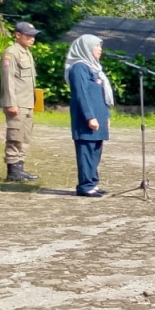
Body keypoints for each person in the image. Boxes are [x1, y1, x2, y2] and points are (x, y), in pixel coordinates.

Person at [64, 34, 112, 198]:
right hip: (86, 118)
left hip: (98, 116)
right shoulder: (79, 68)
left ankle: (92, 182)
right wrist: (90, 117)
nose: (100, 50)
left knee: (95, 151)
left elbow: (100, 95)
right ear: (86, 48)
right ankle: (85, 186)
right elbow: (81, 95)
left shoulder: (94, 68)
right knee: (86, 151)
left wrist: (106, 116)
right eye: (97, 46)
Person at [0, 22, 41, 182]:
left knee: (24, 136)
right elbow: (8, 80)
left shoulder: (26, 52)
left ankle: (20, 169)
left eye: (33, 36)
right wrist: (11, 103)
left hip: (27, 102)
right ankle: (13, 171)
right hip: (16, 102)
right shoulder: (11, 53)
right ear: (17, 35)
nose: (32, 39)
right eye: (28, 35)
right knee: (15, 136)